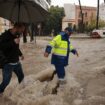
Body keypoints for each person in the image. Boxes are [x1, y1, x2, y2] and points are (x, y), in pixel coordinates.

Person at [0, 23, 25, 94]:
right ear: (17, 27)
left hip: (17, 63)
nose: (22, 32)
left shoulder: (17, 35)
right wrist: (13, 42)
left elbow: (16, 48)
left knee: (21, 77)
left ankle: (22, 93)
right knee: (6, 82)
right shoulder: (5, 35)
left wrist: (20, 54)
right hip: (8, 64)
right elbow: (1, 47)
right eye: (21, 30)